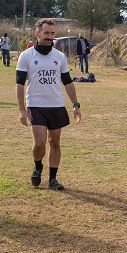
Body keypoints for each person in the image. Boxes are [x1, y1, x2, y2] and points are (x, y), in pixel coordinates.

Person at [16, 18, 83, 190]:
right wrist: (22, 110)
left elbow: (67, 82)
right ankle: (38, 167)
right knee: (39, 143)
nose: (50, 37)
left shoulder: (59, 57)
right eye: (46, 33)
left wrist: (75, 105)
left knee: (54, 142)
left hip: (56, 105)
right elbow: (20, 84)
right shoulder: (26, 56)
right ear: (37, 34)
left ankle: (53, 179)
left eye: (52, 33)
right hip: (35, 104)